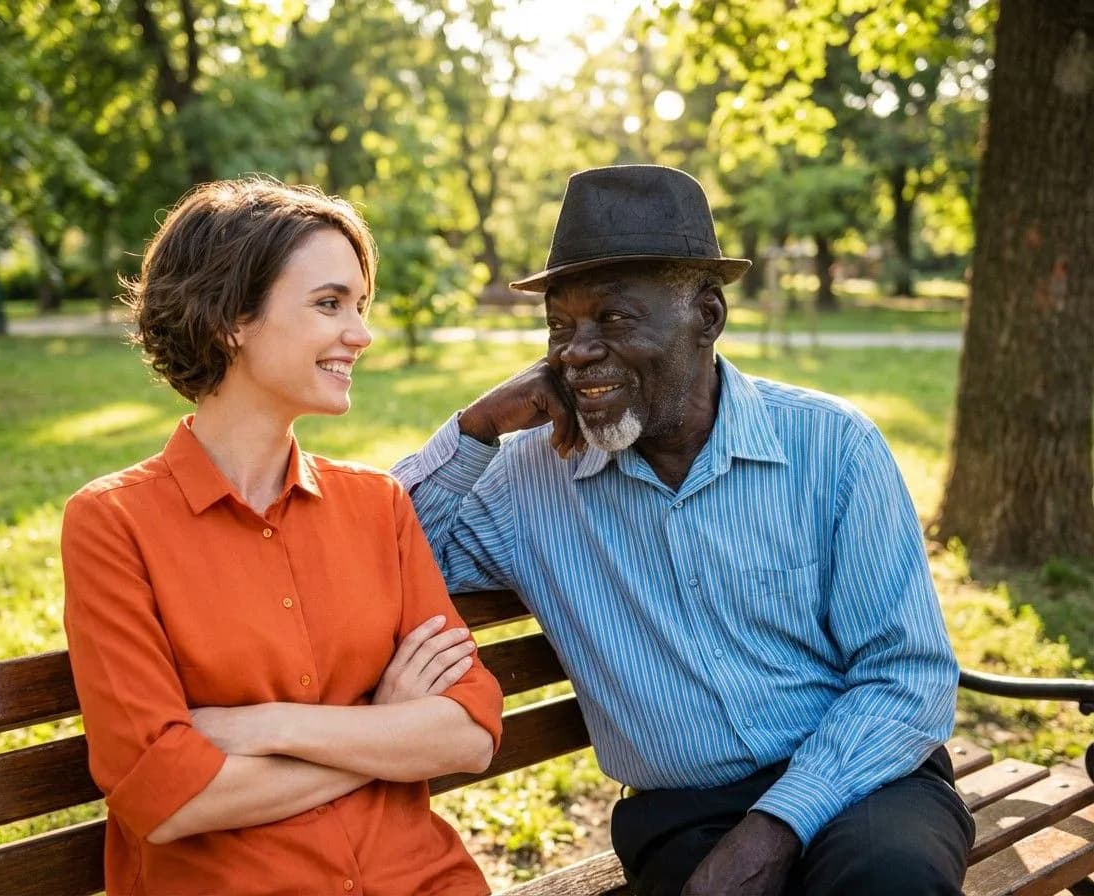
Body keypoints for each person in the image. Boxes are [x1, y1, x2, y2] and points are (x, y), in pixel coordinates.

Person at [392, 164, 975, 896]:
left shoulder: (832, 446)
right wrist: (475, 429)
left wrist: (775, 825)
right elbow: (373, 555)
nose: (574, 351)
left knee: (889, 883)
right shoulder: (521, 480)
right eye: (560, 327)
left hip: (862, 778)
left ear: (706, 317)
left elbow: (906, 676)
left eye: (612, 319)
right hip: (681, 813)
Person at [61, 177, 503, 896]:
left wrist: (266, 725)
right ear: (229, 319)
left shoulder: (377, 504)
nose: (360, 334)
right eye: (329, 304)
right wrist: (381, 730)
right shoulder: (113, 524)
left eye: (359, 306)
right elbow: (169, 797)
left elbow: (469, 731)